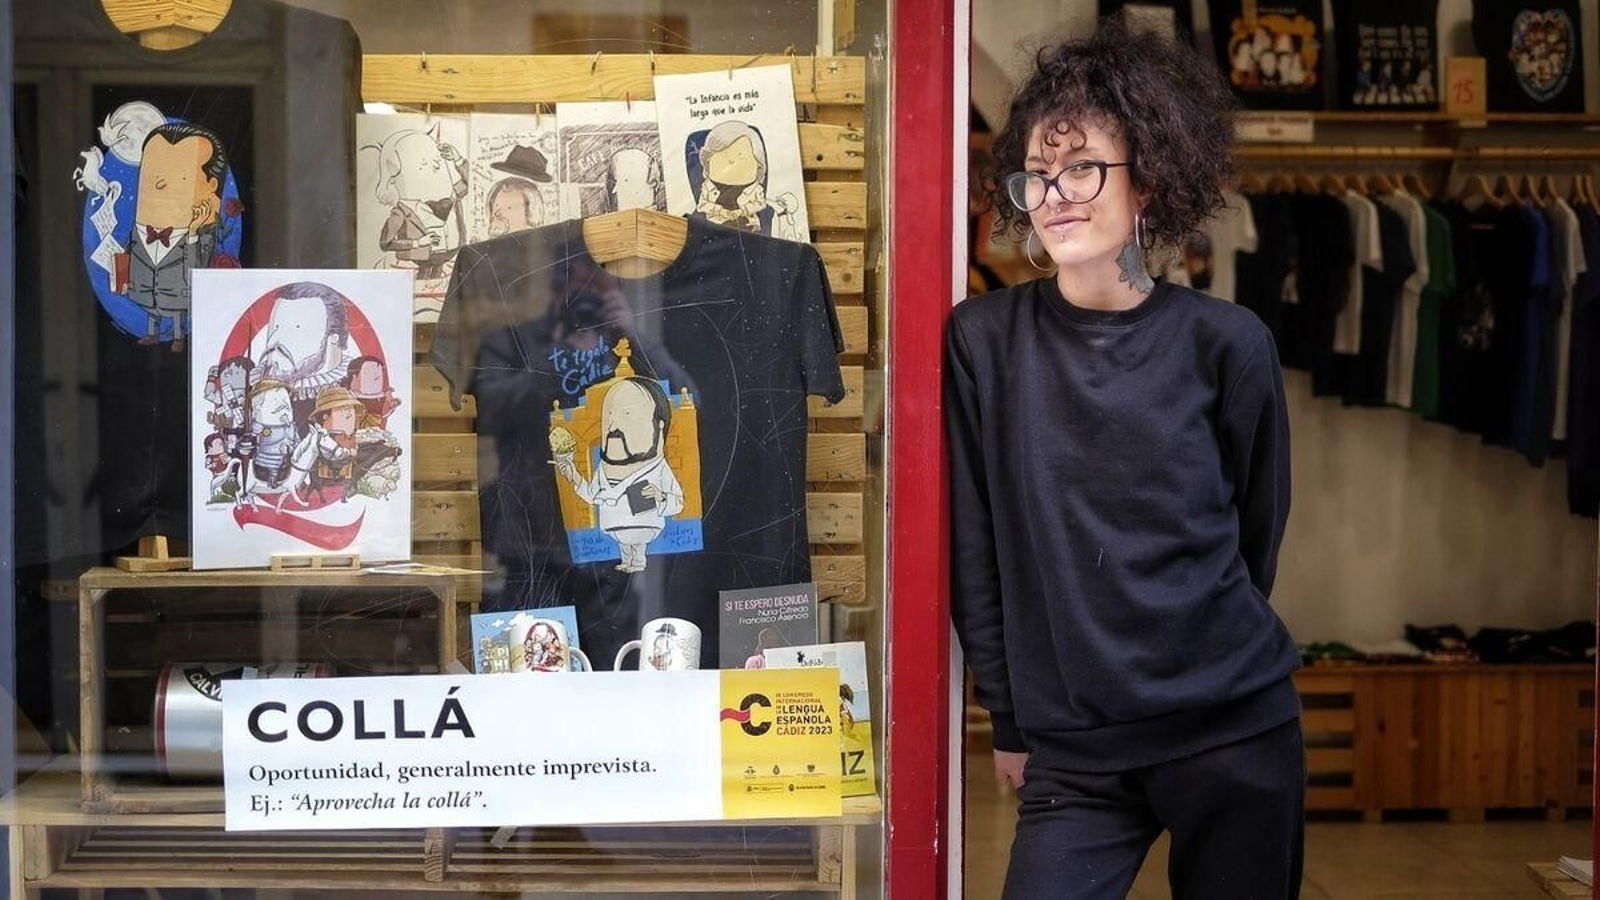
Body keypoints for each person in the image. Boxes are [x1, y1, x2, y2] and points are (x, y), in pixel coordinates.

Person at [946, 19, 1303, 899]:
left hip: (1235, 731)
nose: (1057, 193)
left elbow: (1257, 528)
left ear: (1145, 178)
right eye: (1040, 173)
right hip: (1077, 755)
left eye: (1084, 169)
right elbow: (975, 547)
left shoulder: (1229, 343)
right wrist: (1010, 718)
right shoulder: (984, 342)